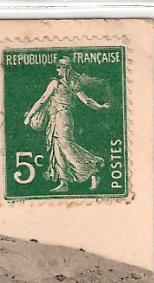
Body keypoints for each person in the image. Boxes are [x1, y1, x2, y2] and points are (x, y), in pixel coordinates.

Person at [23, 56, 110, 192]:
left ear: (66, 68)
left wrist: (29, 116)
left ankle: (93, 167)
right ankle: (64, 182)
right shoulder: (72, 83)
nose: (57, 70)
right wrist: (100, 107)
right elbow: (86, 100)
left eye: (60, 67)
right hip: (60, 118)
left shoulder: (57, 84)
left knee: (66, 147)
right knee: (58, 148)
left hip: (61, 118)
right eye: (57, 67)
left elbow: (42, 100)